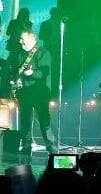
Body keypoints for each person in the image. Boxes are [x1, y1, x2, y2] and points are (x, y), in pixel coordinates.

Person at [9, 29, 56, 163]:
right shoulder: (20, 54)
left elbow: (45, 72)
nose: (20, 41)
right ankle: (26, 146)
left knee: (44, 122)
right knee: (25, 122)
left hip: (40, 93)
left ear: (30, 39)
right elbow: (15, 70)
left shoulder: (43, 52)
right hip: (25, 93)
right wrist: (14, 78)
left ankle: (51, 148)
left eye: (22, 39)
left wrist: (32, 73)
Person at [38, 7, 61, 97]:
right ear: (52, 14)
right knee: (47, 67)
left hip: (57, 49)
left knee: (55, 68)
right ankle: (46, 88)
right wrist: (50, 39)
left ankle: (54, 88)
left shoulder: (60, 24)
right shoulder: (45, 23)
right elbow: (41, 35)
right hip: (48, 48)